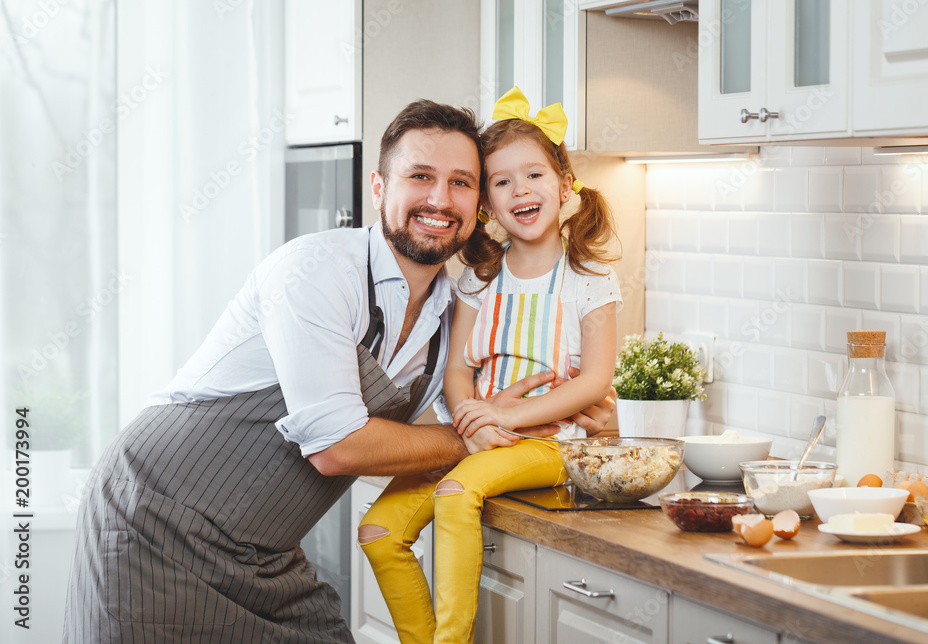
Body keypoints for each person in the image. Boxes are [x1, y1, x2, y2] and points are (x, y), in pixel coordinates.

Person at [62, 99, 615, 644]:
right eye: (420, 176)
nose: (439, 200)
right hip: (154, 526)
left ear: (478, 206)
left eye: (462, 182)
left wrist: (570, 408)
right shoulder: (316, 271)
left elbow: (452, 413)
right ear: (378, 188)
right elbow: (339, 447)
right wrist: (478, 437)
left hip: (265, 556)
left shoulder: (457, 306)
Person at [359, 87, 622, 644]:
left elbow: (597, 381)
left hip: (552, 444)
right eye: (502, 181)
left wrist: (510, 423)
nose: (520, 190)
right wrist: (472, 419)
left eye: (534, 176)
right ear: (486, 205)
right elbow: (457, 369)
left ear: (565, 184)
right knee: (379, 531)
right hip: (481, 434)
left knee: (457, 495)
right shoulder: (477, 279)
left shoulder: (592, 280)